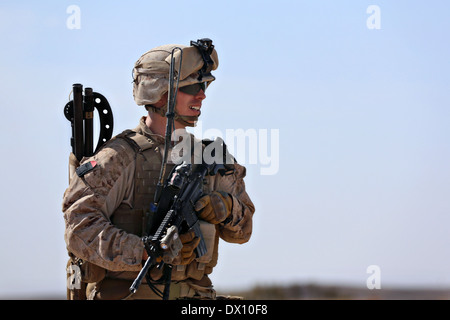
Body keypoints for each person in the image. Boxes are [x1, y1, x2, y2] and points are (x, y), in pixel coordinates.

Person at [62, 39, 255, 300]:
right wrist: (143, 250)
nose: (202, 94)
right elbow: (79, 228)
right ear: (160, 92)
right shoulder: (118, 157)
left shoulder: (211, 157)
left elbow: (243, 232)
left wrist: (227, 208)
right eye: (193, 86)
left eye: (205, 85)